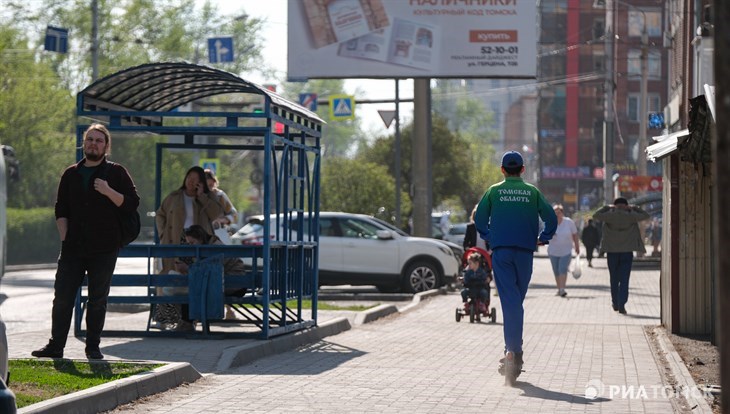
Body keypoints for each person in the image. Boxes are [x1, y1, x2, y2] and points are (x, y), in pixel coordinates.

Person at [32, 124, 140, 360]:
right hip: (73, 247)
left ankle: (93, 347)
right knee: (62, 297)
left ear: (106, 146)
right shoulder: (71, 173)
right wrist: (64, 235)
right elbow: (61, 208)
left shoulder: (116, 173)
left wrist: (108, 191)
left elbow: (132, 203)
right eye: (90, 139)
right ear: (84, 143)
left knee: (97, 299)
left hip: (104, 247)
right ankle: (55, 345)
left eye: (99, 140)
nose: (93, 143)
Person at [474, 150, 557, 383]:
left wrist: (490, 235)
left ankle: (512, 352)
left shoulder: (494, 191)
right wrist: (544, 236)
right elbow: (551, 217)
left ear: (502, 170)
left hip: (501, 252)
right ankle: (513, 351)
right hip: (525, 252)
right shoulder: (532, 192)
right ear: (522, 170)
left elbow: (479, 220)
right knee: (516, 302)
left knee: (511, 303)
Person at [155, 166, 224, 330]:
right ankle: (165, 319)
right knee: (169, 278)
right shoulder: (174, 197)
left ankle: (189, 320)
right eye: (188, 178)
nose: (190, 182)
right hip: (175, 243)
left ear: (201, 183)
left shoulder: (208, 198)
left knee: (193, 279)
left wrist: (202, 197)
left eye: (195, 180)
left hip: (197, 246)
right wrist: (164, 233)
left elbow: (216, 214)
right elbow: (160, 214)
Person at [592, 197, 650, 314]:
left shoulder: (609, 216)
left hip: (612, 252)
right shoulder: (631, 216)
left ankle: (615, 302)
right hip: (627, 252)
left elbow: (595, 215)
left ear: (615, 205)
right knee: (624, 279)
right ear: (626, 205)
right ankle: (622, 303)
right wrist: (634, 208)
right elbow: (645, 215)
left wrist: (607, 207)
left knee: (614, 278)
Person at [547, 204, 580, 297]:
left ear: (562, 213)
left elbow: (575, 234)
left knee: (562, 269)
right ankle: (559, 288)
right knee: (556, 271)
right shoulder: (549, 222)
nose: (557, 214)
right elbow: (543, 234)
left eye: (558, 212)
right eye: (555, 212)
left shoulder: (569, 222)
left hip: (566, 251)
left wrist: (577, 246)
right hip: (553, 251)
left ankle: (562, 289)